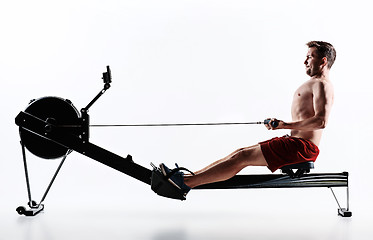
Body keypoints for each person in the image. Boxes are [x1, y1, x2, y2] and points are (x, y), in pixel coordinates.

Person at [159, 41, 337, 196]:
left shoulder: (322, 84)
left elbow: (321, 121)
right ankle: (185, 179)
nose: (305, 61)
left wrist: (284, 125)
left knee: (243, 157)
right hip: (294, 143)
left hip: (301, 148)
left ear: (323, 61)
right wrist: (284, 126)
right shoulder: (316, 83)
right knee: (240, 153)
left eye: (310, 56)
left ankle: (185, 183)